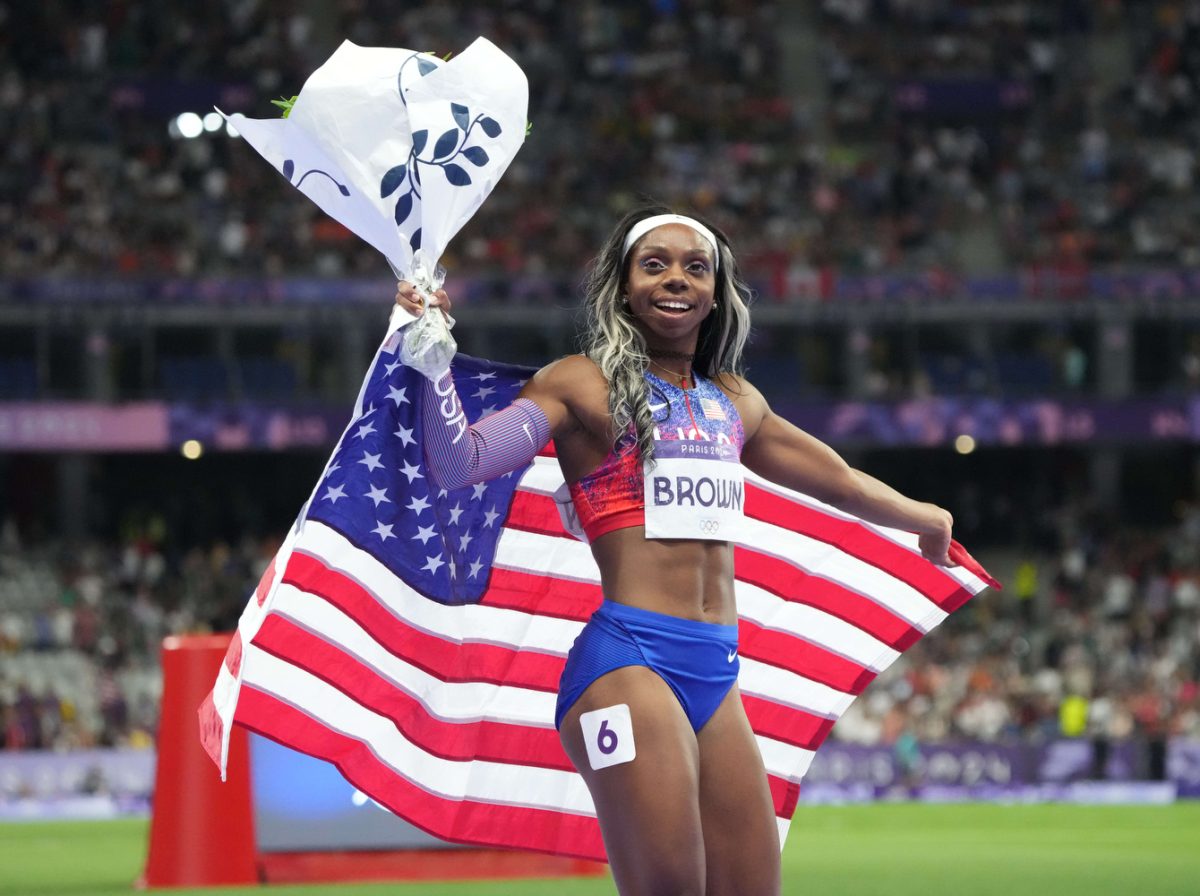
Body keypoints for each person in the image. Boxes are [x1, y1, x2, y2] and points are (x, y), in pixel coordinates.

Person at [394, 205, 956, 896]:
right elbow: (459, 462)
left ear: (716, 292)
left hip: (715, 673)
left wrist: (923, 517)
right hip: (628, 661)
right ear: (623, 285)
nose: (676, 279)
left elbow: (836, 479)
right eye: (654, 263)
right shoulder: (578, 384)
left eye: (696, 267)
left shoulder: (735, 400)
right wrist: (431, 355)